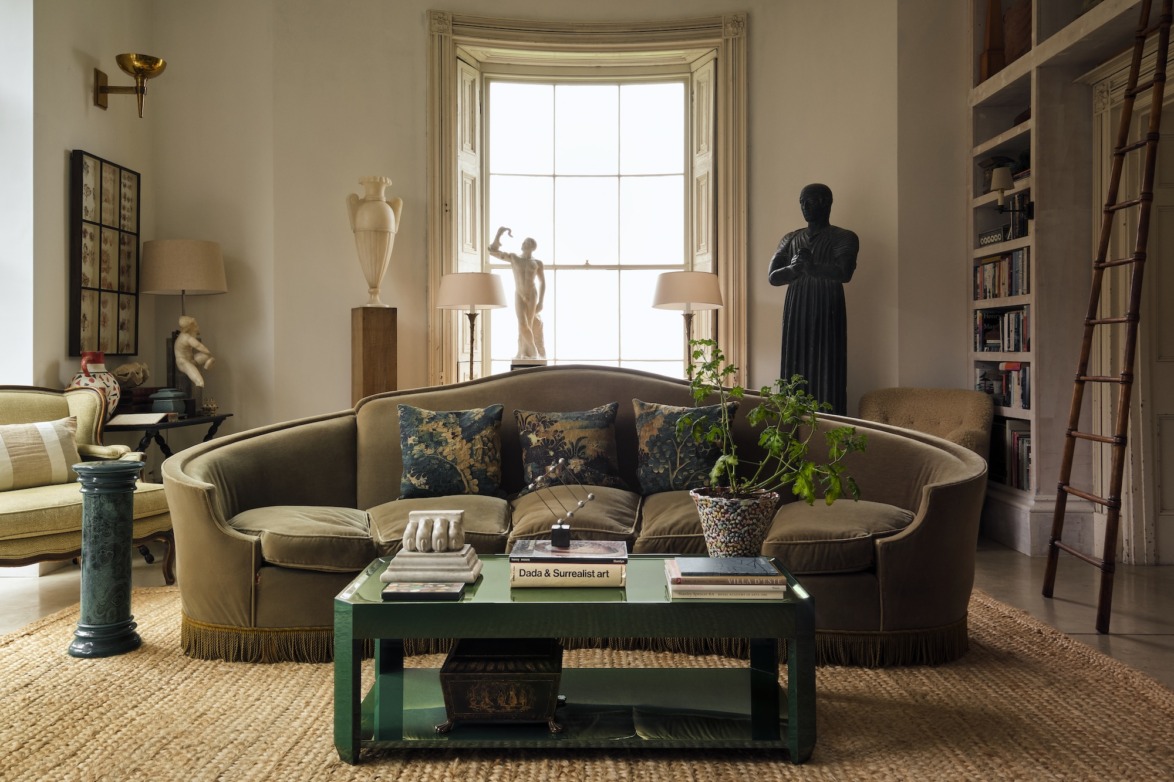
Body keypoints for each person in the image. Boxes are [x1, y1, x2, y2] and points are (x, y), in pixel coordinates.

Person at [767, 183, 858, 415]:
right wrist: (794, 269)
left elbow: (844, 273)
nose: (805, 207)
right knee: (793, 367)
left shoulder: (844, 237)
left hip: (828, 308)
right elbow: (773, 277)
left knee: (828, 366)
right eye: (801, 202)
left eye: (810, 201)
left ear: (826, 203)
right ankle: (791, 427)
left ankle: (829, 429)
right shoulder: (790, 238)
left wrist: (812, 267)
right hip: (797, 308)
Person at [489, 226, 546, 359]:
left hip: (532, 294)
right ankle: (533, 352)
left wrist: (542, 301)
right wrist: (498, 234)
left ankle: (524, 352)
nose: (523, 244)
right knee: (522, 323)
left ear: (533, 247)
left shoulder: (537, 263)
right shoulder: (514, 258)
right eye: (524, 242)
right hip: (519, 294)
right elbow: (493, 251)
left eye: (527, 242)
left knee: (530, 323)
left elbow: (542, 282)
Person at [173, 315, 215, 388]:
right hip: (183, 362)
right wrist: (208, 352)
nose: (196, 327)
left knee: (208, 356)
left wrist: (208, 355)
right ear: (190, 327)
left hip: (191, 360)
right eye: (195, 325)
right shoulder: (185, 337)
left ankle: (206, 366)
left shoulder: (186, 336)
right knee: (200, 382)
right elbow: (199, 346)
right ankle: (198, 382)